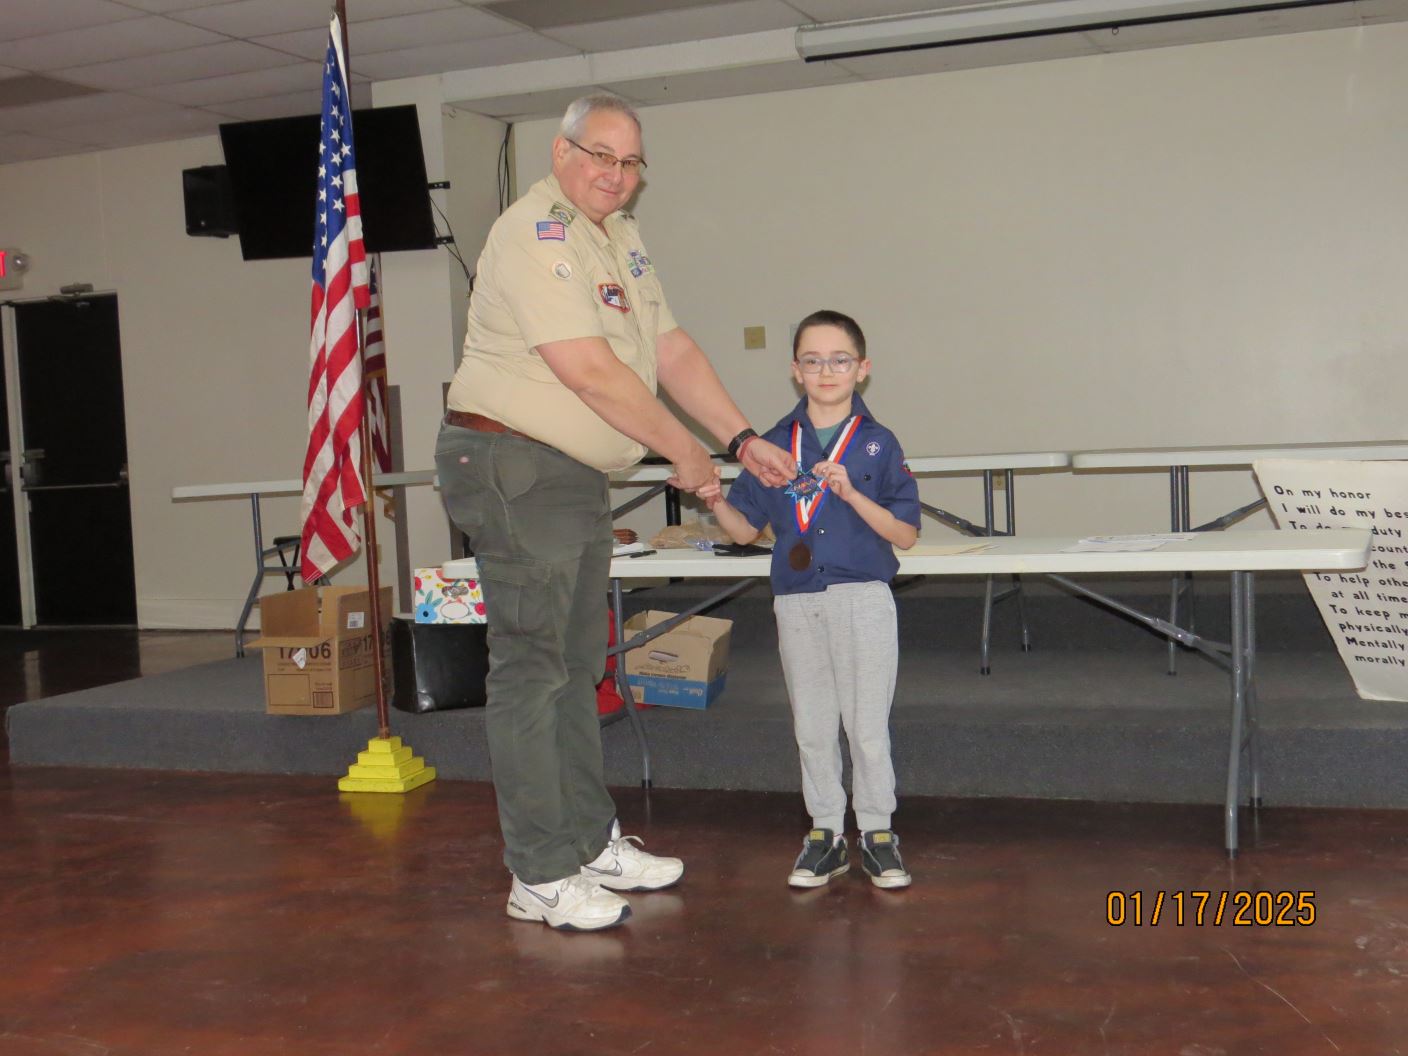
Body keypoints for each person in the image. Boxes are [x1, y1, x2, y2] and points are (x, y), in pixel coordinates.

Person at [434, 93, 795, 932]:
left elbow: (668, 348)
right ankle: (539, 872)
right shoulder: (534, 233)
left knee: (577, 666)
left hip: (569, 475)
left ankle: (586, 842)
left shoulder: (618, 236)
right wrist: (685, 454)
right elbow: (590, 372)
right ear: (561, 153)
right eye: (601, 155)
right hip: (515, 464)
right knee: (534, 671)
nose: (616, 174)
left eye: (630, 162)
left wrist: (739, 438)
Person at [705, 310, 921, 890]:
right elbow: (744, 531)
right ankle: (825, 831)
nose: (827, 371)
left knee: (867, 727)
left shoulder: (878, 444)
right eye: (813, 360)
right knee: (813, 725)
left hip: (863, 596)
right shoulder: (772, 445)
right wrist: (712, 496)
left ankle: (877, 832)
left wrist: (851, 494)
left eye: (840, 359)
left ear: (862, 368)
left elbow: (905, 534)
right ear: (795, 370)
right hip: (797, 600)